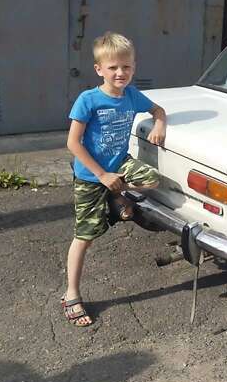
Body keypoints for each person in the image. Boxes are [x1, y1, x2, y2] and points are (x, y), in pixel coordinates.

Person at [62, 31, 167, 326]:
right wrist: (101, 174)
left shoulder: (132, 95)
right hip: (91, 175)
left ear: (134, 67)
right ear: (99, 69)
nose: (120, 73)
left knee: (151, 180)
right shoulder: (89, 99)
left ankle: (116, 195)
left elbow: (158, 109)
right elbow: (73, 143)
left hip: (118, 166)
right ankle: (71, 293)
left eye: (127, 67)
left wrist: (159, 123)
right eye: (113, 68)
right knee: (85, 236)